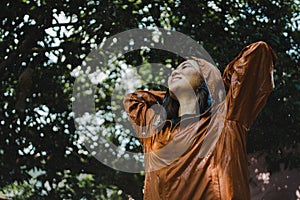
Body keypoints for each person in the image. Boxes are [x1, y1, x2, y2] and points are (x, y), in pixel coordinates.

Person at [123, 41, 276, 199]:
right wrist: (171, 96)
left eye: (186, 68)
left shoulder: (225, 118)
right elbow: (132, 100)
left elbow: (259, 52)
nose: (175, 72)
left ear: (205, 80)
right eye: (175, 70)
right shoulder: (156, 132)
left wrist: (217, 88)